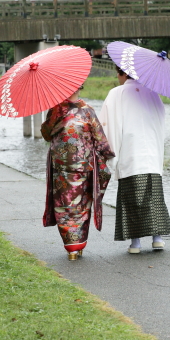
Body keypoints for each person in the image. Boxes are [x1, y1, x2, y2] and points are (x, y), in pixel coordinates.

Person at [99, 66, 170, 254]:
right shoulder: (152, 94)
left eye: (118, 73)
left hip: (130, 153)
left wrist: (109, 155)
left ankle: (136, 243)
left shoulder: (117, 94)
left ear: (124, 73)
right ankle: (157, 239)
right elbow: (161, 121)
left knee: (132, 198)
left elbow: (107, 125)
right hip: (152, 154)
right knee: (154, 196)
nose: (117, 77)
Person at [41, 86, 115, 260]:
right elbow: (100, 139)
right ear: (79, 89)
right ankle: (79, 244)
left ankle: (71, 247)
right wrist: (107, 155)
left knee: (64, 206)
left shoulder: (55, 110)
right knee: (82, 205)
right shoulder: (87, 111)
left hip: (61, 166)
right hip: (83, 165)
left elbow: (46, 134)